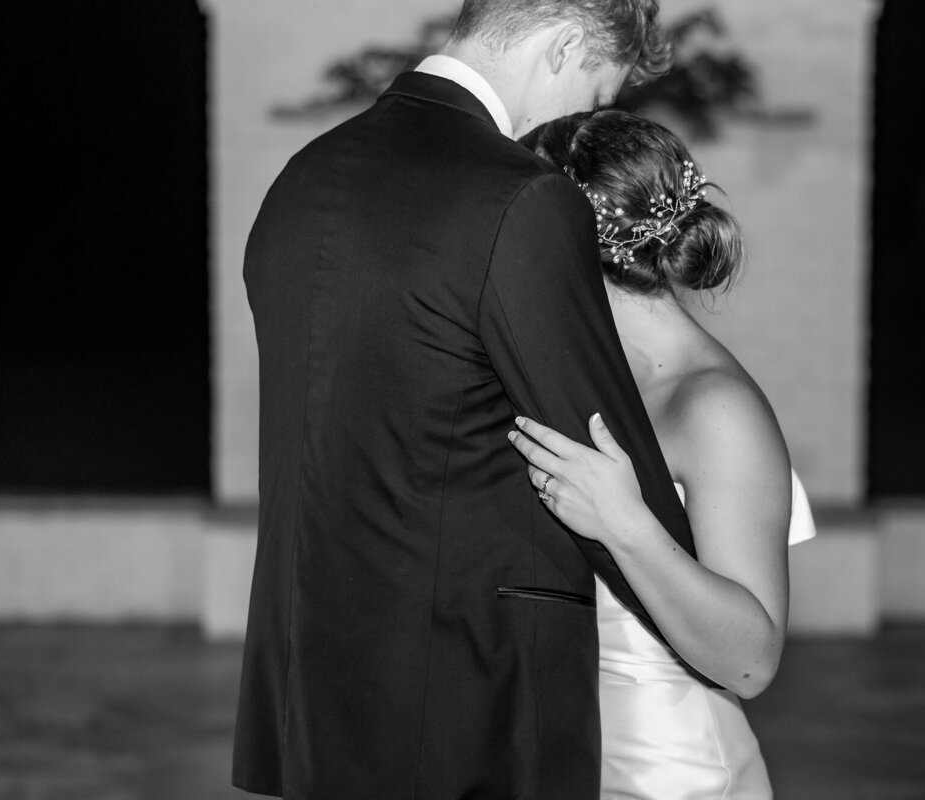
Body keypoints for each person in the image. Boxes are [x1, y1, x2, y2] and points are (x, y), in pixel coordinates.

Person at [232, 3, 706, 798]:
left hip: (313, 684)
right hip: (469, 696)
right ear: (563, 45)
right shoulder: (521, 197)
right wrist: (701, 604)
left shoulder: (303, 176)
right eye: (595, 94)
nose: (582, 124)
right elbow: (597, 441)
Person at [513, 110, 817, 798]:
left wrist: (625, 524)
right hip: (569, 758)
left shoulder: (714, 406)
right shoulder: (576, 372)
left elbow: (752, 661)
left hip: (673, 774)